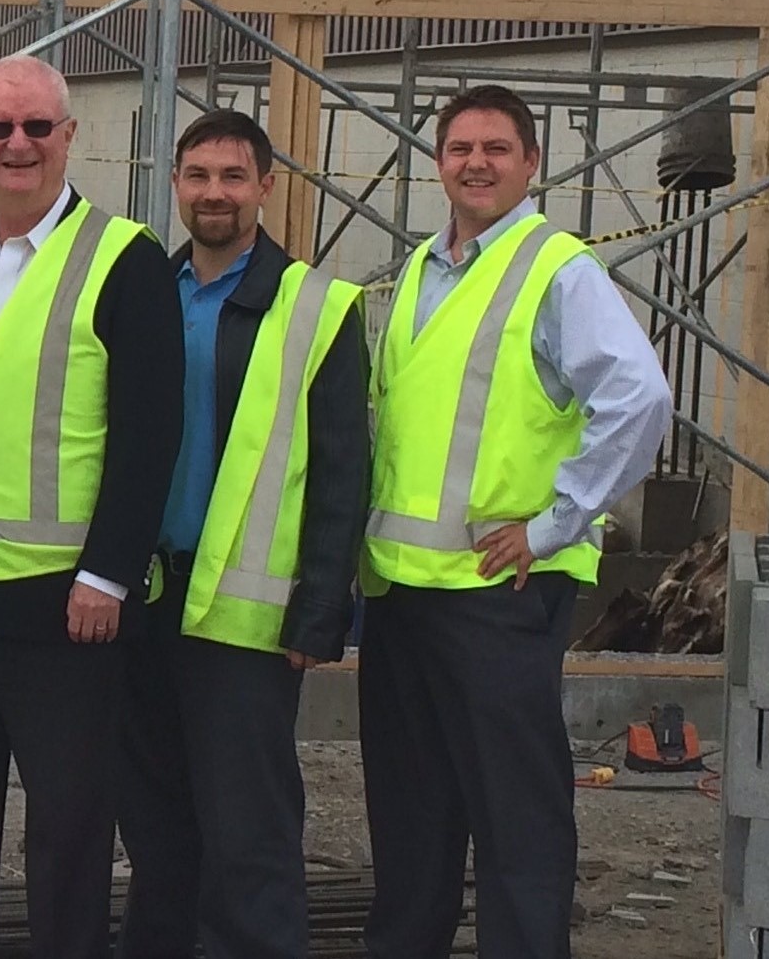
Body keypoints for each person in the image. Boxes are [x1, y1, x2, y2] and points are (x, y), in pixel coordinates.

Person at [359, 84, 670, 959]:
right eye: (459, 148)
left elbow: (638, 397)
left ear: (531, 163)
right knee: (411, 822)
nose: (475, 163)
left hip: (499, 591)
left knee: (515, 823)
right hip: (402, 594)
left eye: (496, 149)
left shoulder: (554, 267)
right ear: (437, 163)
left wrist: (552, 524)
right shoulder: (421, 268)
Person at [0, 54, 185, 958]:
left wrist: (107, 571)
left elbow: (148, 433)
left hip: (65, 598)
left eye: (34, 128)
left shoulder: (123, 259)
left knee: (68, 820)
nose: (15, 144)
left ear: (69, 136)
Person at [113, 109, 368, 959]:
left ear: (265, 186)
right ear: (175, 185)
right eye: (197, 177)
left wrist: (321, 608)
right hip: (142, 597)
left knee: (247, 832)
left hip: (245, 617)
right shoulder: (144, 287)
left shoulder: (314, 307)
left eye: (232, 177)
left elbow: (341, 468)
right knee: (152, 826)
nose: (213, 193)